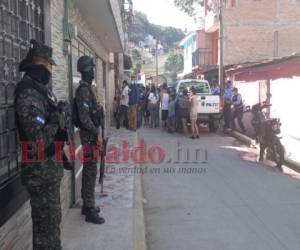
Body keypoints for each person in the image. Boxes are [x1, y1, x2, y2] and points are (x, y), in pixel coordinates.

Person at [14, 40, 64, 249]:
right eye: (49, 65)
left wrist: (58, 115)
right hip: (39, 172)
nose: (51, 70)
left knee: (51, 226)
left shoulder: (40, 90)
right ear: (39, 65)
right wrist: (55, 120)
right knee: (45, 233)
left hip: (48, 170)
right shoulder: (27, 93)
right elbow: (38, 141)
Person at [75, 56, 105, 224]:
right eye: (92, 69)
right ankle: (90, 209)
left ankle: (87, 204)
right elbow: (84, 118)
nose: (93, 72)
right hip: (89, 139)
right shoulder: (83, 91)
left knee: (89, 171)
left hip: (91, 137)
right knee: (91, 172)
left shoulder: (88, 89)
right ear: (86, 70)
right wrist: (97, 134)